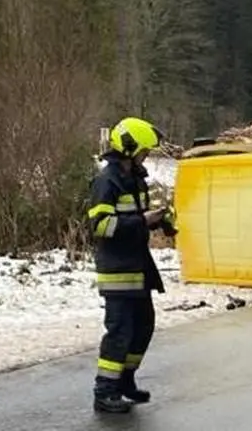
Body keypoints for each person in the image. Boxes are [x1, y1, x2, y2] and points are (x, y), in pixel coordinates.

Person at [87, 117, 178, 414]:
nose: (146, 156)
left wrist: (159, 221)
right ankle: (105, 391)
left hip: (138, 265)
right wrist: (142, 220)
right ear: (129, 148)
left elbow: (135, 218)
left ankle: (125, 381)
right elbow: (100, 226)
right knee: (120, 331)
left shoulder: (135, 178)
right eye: (144, 151)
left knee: (143, 326)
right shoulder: (107, 181)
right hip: (118, 270)